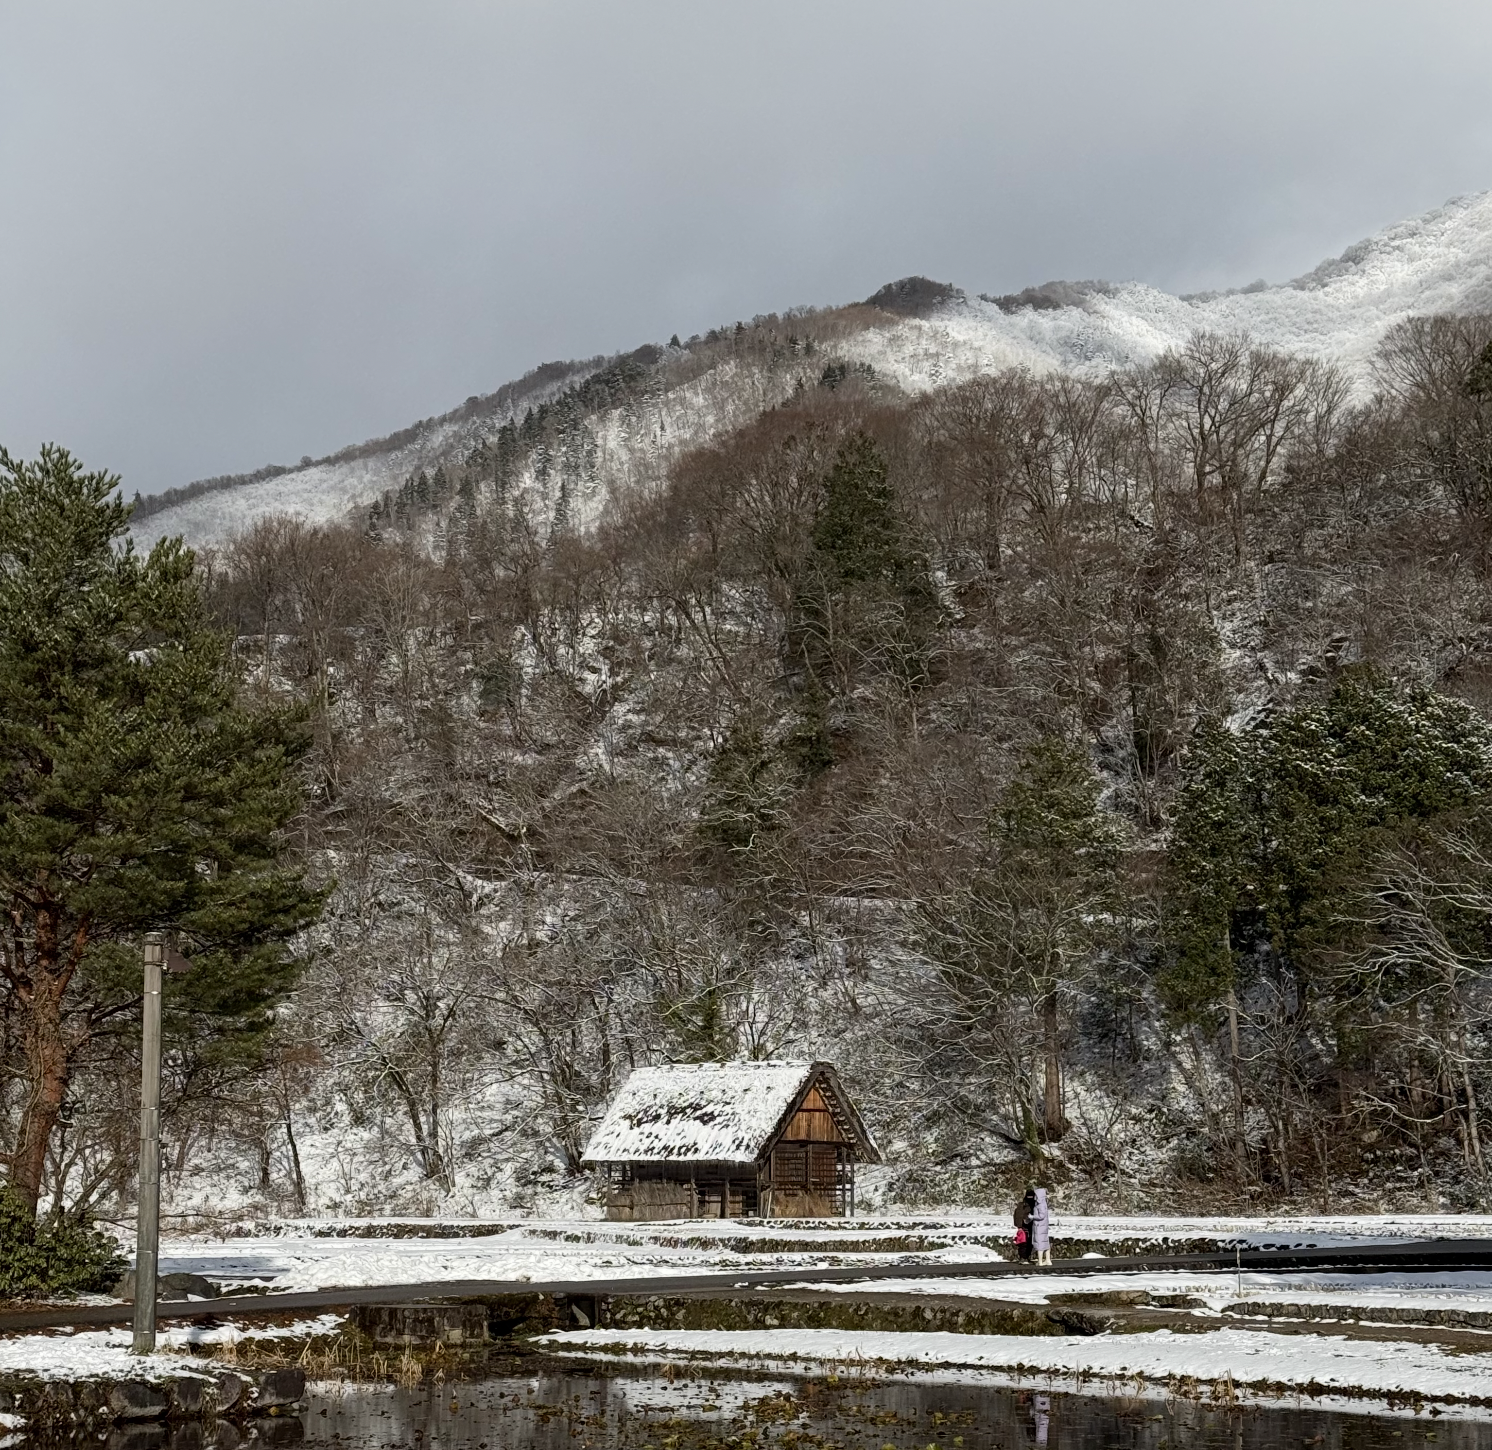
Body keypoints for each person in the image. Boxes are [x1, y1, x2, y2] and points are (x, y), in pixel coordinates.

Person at [1013, 1187, 1036, 1264]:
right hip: (1024, 1226)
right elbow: (1018, 1216)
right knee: (1024, 1243)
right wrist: (1019, 1226)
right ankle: (1023, 1257)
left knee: (1029, 1242)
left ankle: (1026, 1257)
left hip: (1031, 1226)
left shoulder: (1033, 1205)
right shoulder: (1023, 1205)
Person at [1032, 1185, 1051, 1266]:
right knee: (1045, 1243)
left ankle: (1040, 1261)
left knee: (1040, 1244)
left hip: (1039, 1226)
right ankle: (1047, 1260)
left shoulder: (1040, 1205)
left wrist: (1032, 1217)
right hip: (1042, 1226)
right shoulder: (1043, 1204)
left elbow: (1041, 1216)